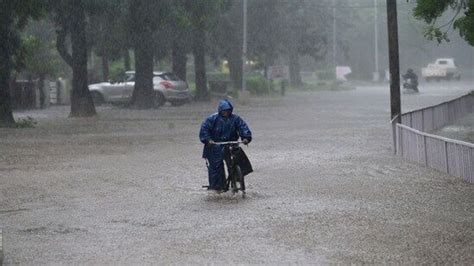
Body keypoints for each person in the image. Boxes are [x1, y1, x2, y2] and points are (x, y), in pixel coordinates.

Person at [199, 99, 252, 192]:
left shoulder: (235, 119)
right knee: (216, 167)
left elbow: (243, 127)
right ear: (220, 111)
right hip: (215, 146)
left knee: (239, 159)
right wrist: (208, 140)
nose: (226, 113)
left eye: (228, 110)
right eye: (224, 111)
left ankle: (237, 177)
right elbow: (204, 130)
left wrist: (246, 138)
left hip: (231, 143)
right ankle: (218, 187)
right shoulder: (212, 119)